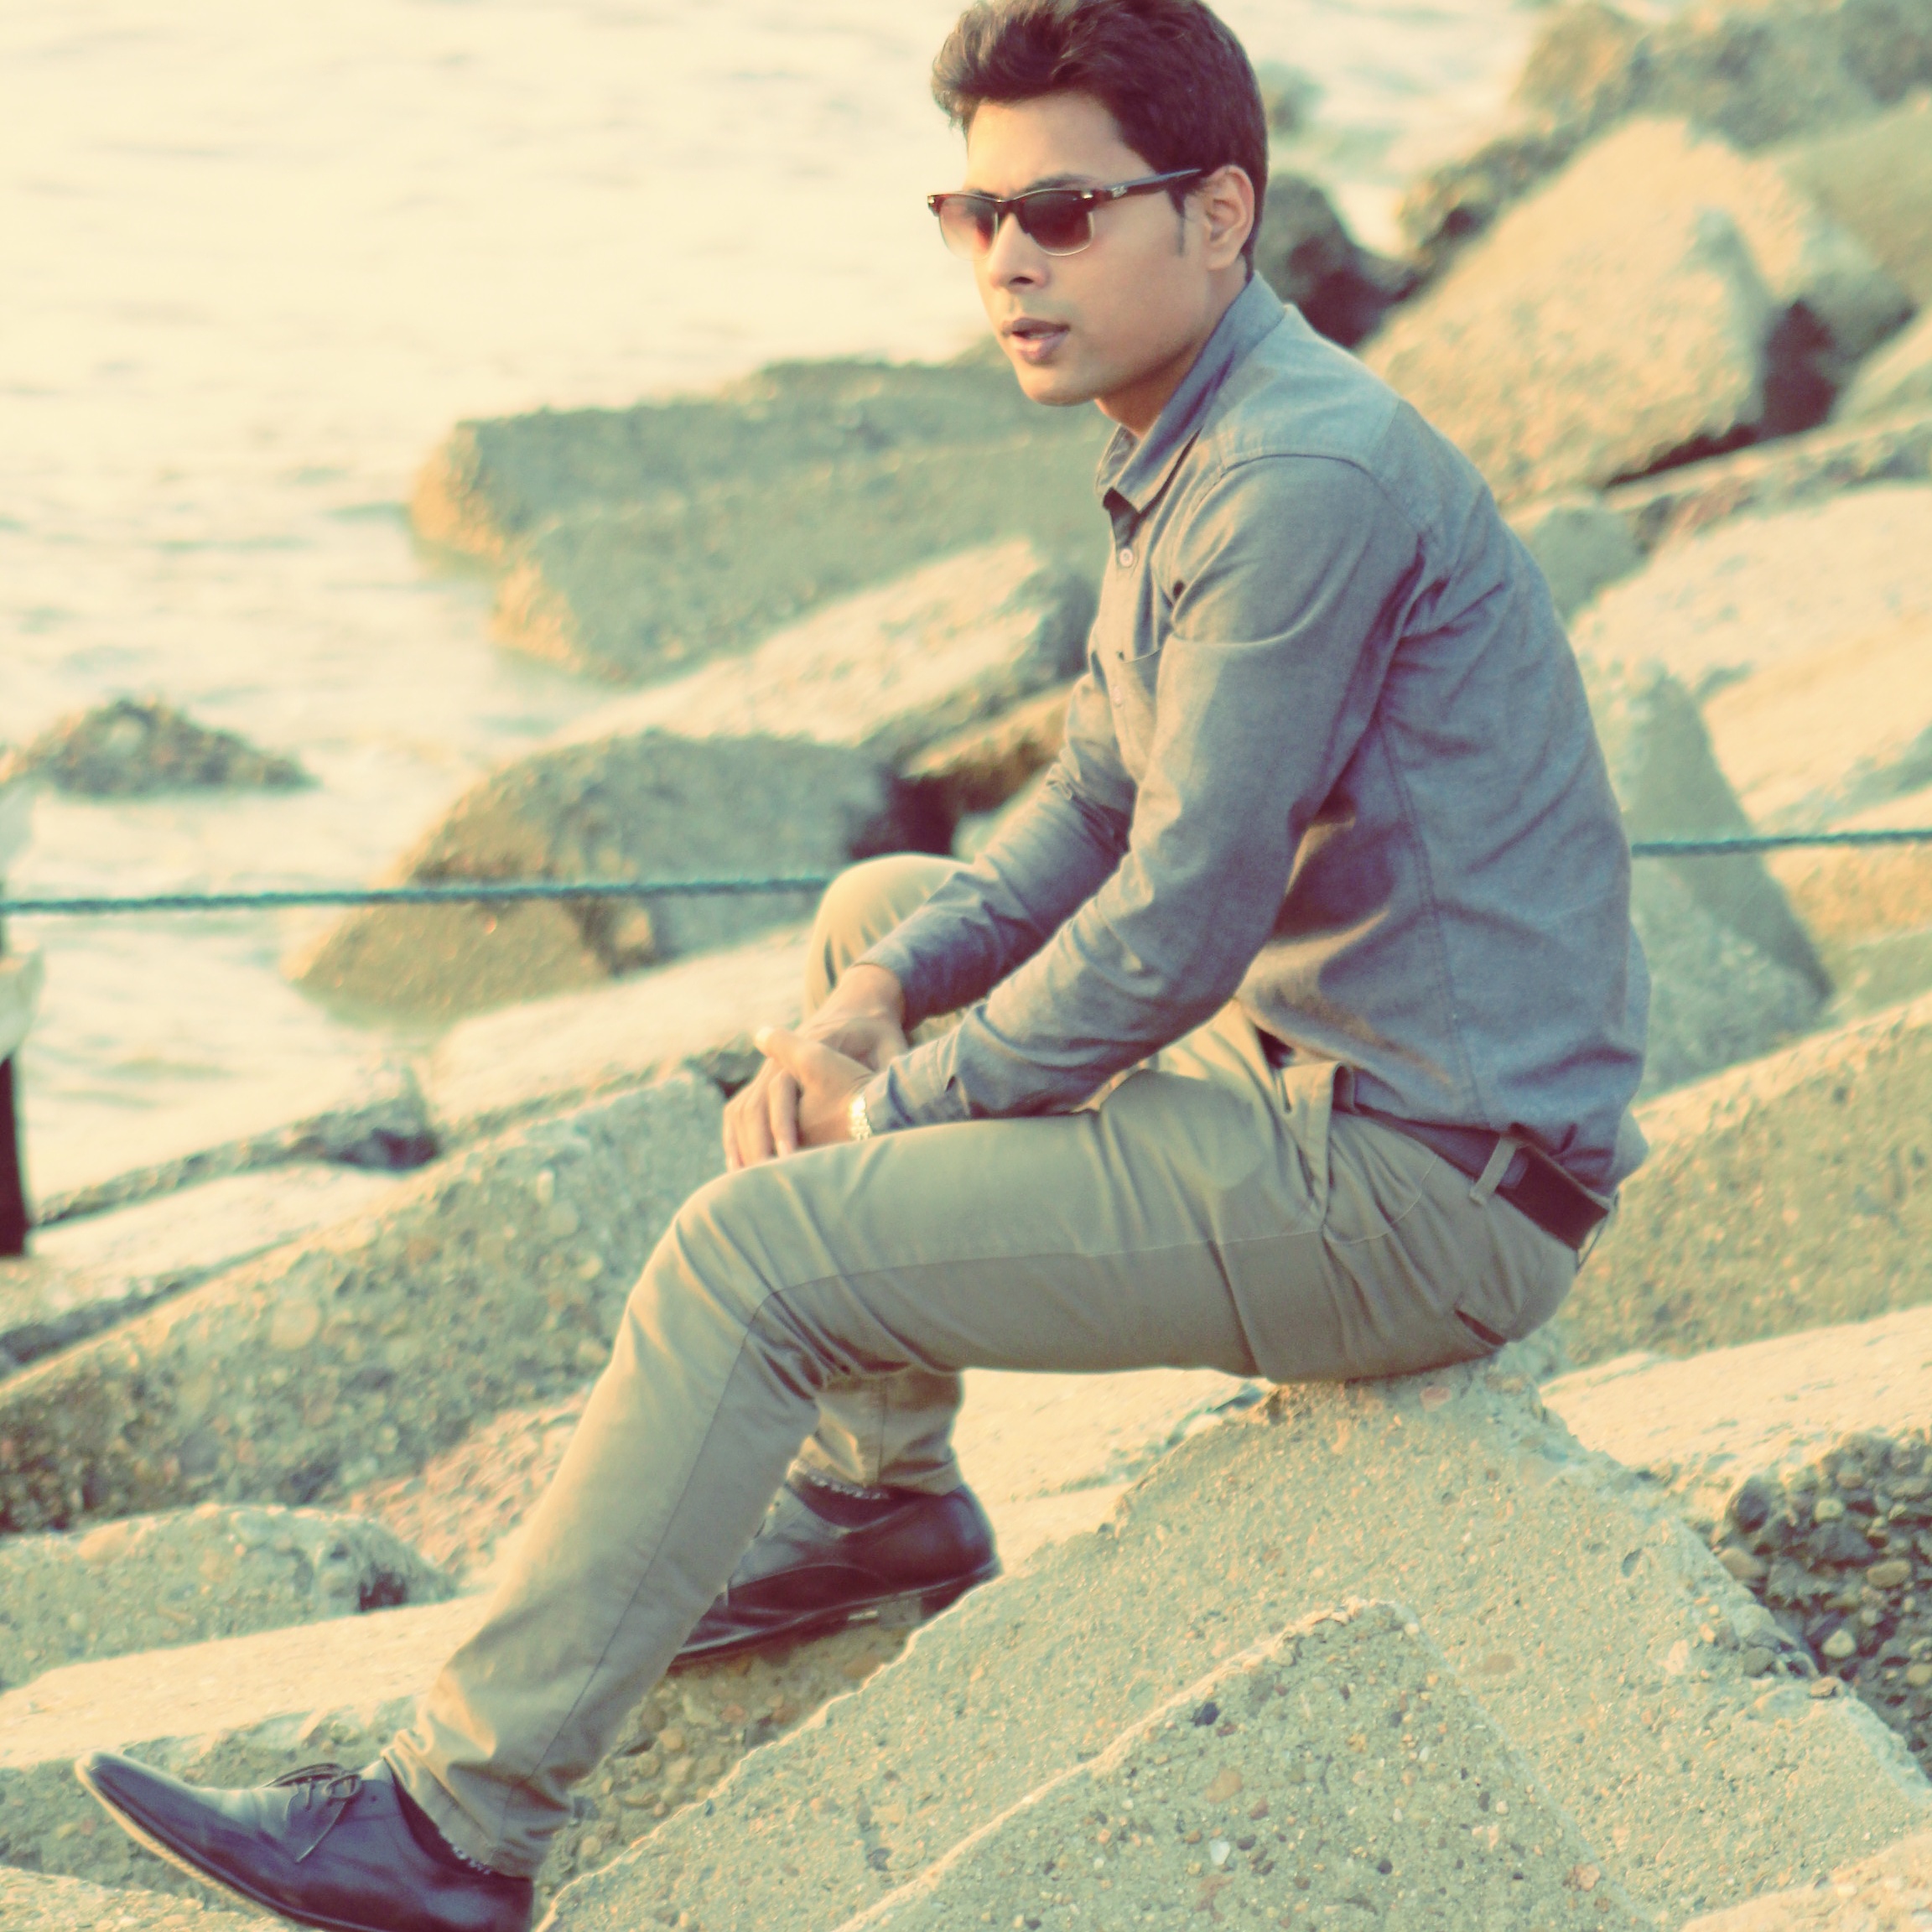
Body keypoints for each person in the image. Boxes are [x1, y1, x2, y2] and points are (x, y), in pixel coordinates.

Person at [75, 2, 1649, 1927]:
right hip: (1323, 1082)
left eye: (1060, 212)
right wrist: (871, 1001)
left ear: (1221, 214)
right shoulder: (1204, 433)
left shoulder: (1297, 481)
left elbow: (1180, 917)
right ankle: (876, 1503)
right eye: (972, 214)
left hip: (1423, 1187)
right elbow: (1096, 797)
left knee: (750, 1255)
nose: (1006, 263)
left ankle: (447, 1835)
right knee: (866, 922)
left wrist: (897, 1108)